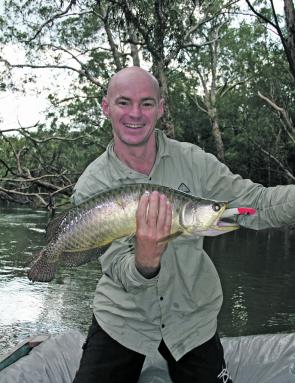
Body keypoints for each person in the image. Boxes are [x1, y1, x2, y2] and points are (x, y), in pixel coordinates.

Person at [72, 66, 295, 383]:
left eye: (147, 103)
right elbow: (117, 268)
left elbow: (253, 205)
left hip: (191, 318)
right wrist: (145, 262)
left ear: (160, 108)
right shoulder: (92, 185)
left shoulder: (195, 162)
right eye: (124, 102)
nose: (135, 113)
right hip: (122, 319)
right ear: (106, 107)